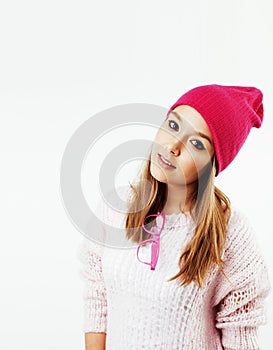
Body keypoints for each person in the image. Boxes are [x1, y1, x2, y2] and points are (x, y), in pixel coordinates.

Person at [77, 84, 272, 350]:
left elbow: (241, 342)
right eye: (173, 125)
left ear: (213, 164)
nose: (173, 147)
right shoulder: (117, 207)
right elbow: (97, 300)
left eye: (196, 143)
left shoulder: (232, 235)